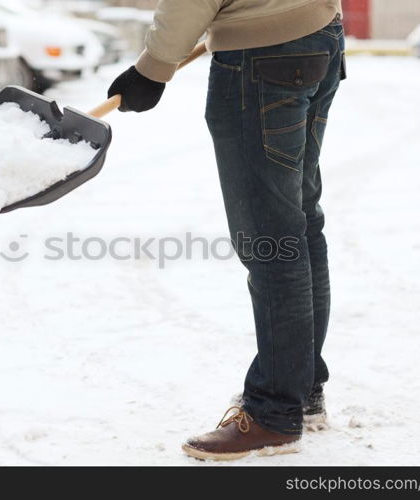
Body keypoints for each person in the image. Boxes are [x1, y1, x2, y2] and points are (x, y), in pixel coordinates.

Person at [108, 0, 346, 461]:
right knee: (297, 223)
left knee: (272, 236)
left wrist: (153, 68)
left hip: (263, 57)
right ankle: (301, 388)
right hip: (319, 35)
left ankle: (274, 411)